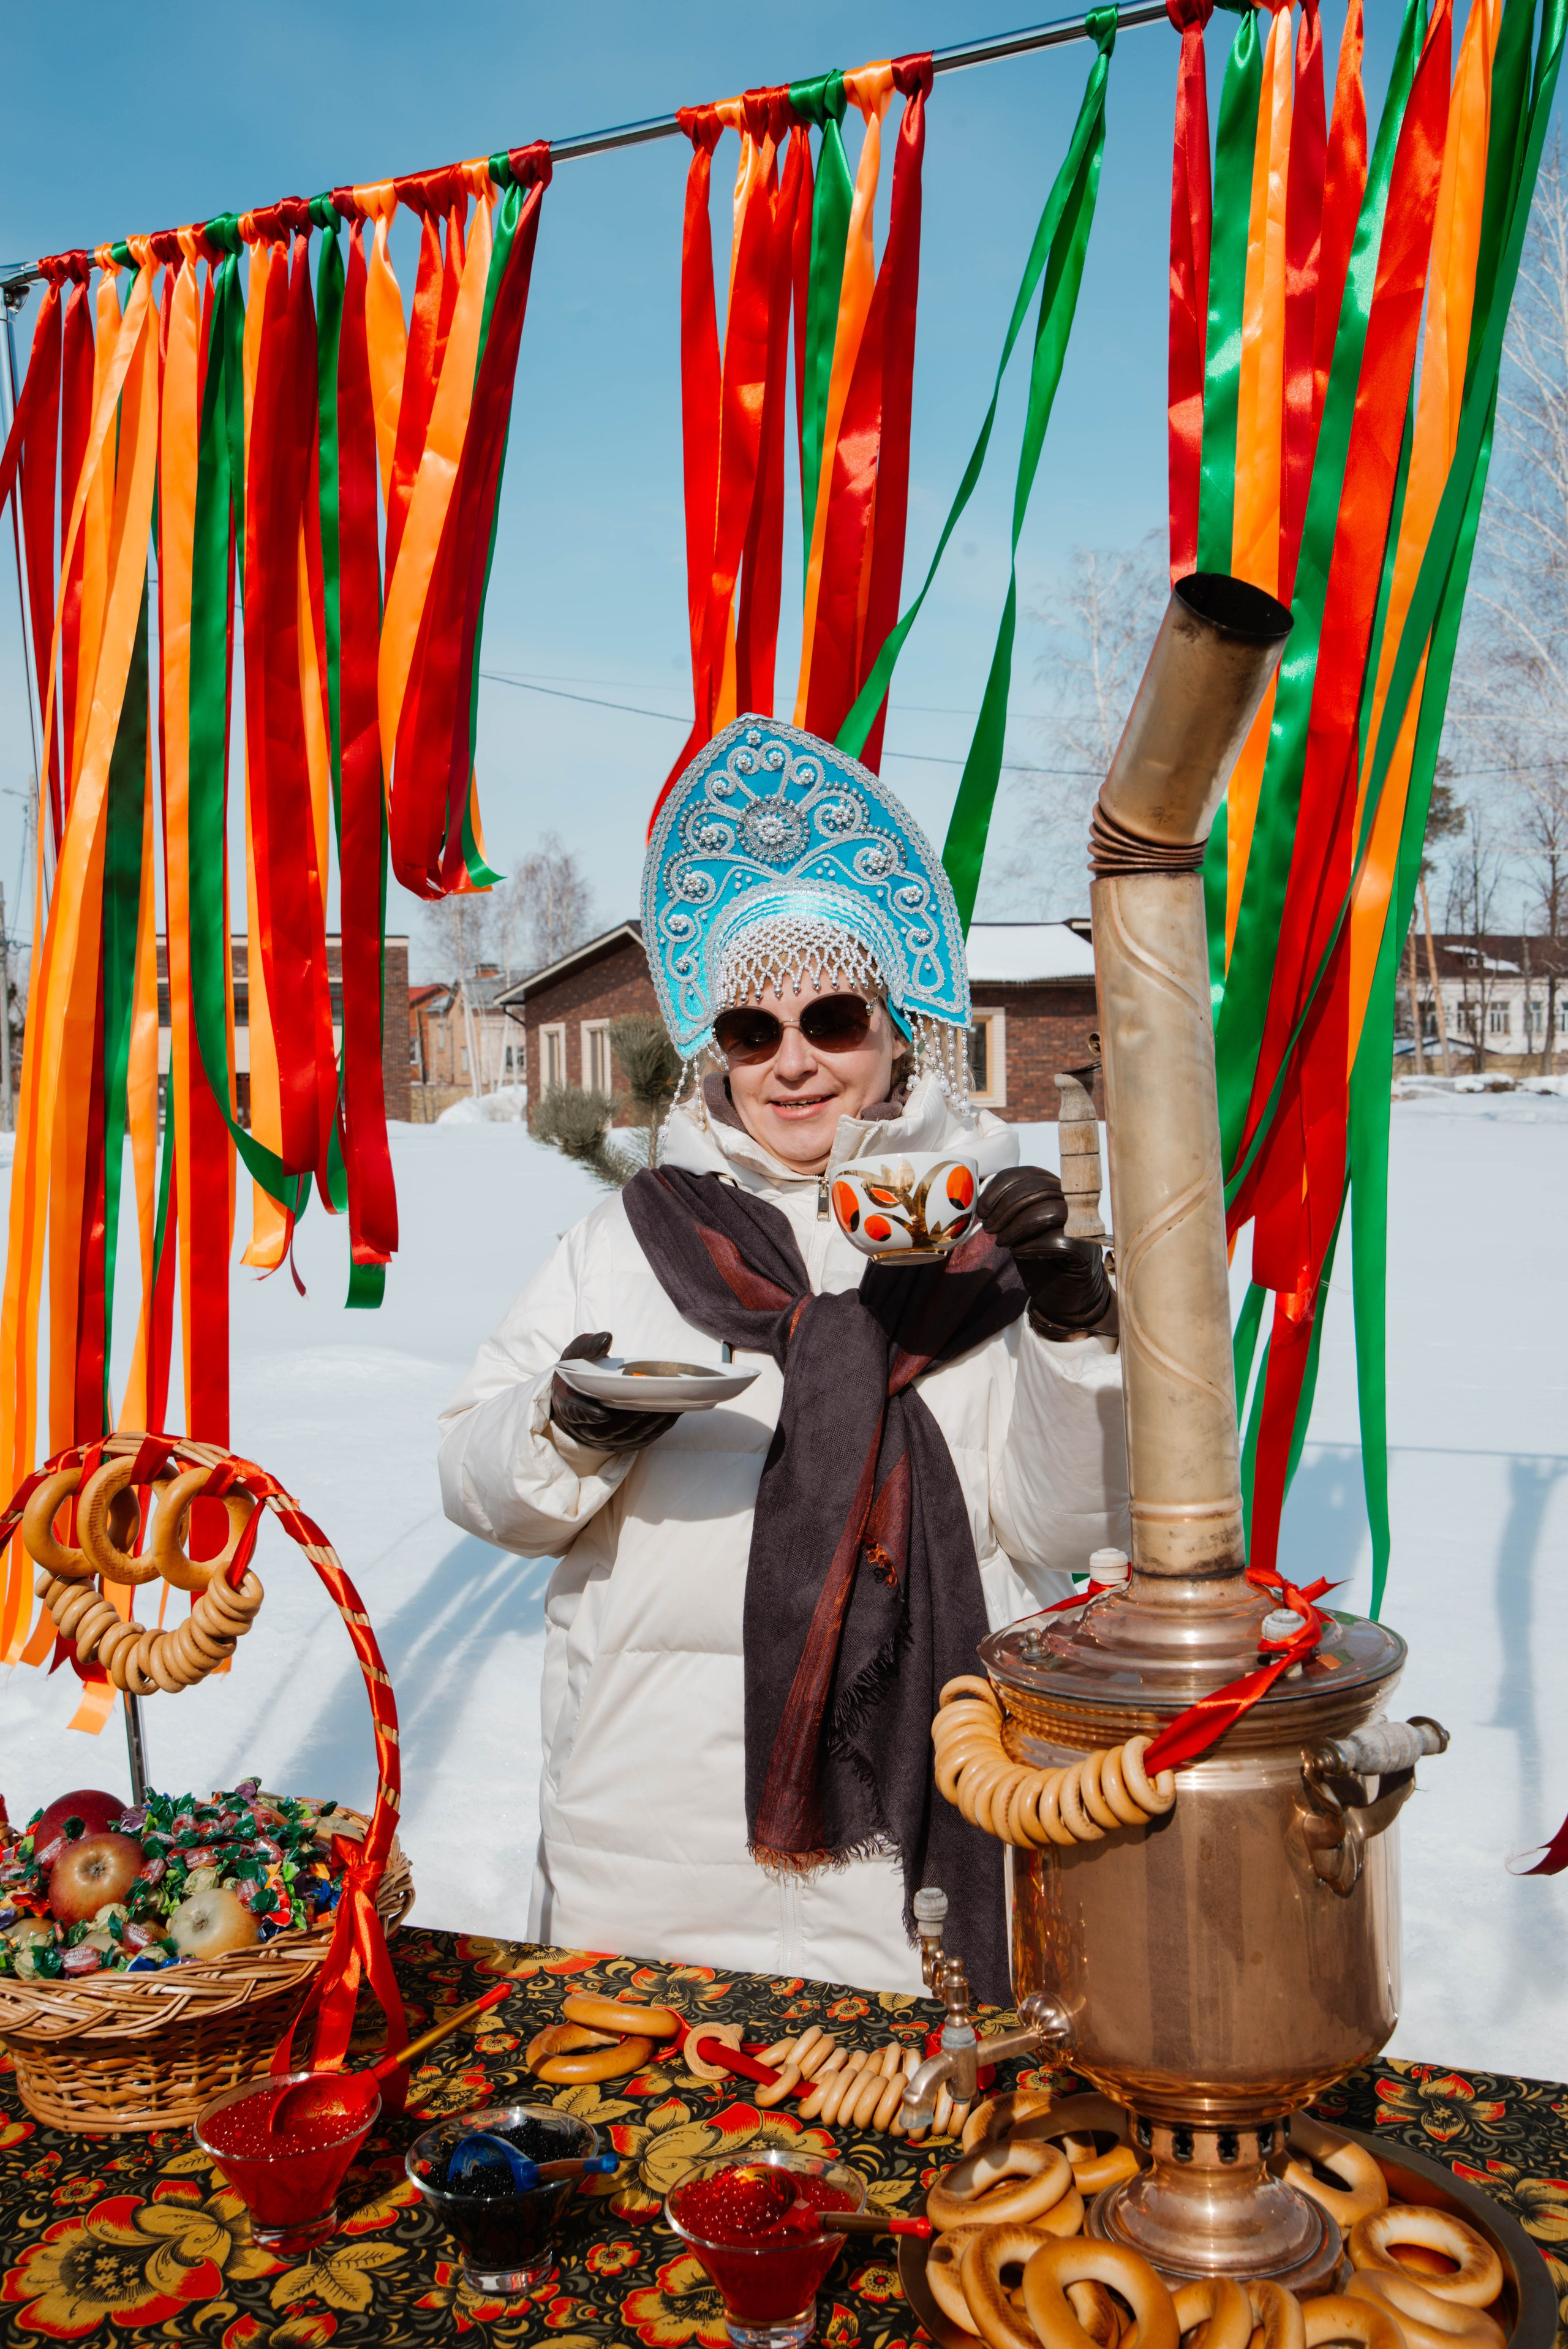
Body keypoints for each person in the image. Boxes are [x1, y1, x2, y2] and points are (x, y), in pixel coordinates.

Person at [439, 718, 1128, 2000]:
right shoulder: (629, 1242)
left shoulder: (989, 1240)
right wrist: (566, 1425)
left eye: (831, 1018)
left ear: (895, 1029)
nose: (793, 1061)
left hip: (917, 1844)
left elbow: (1070, 1526)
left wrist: (1072, 1333)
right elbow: (480, 1488)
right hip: (649, 1842)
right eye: (753, 1030)